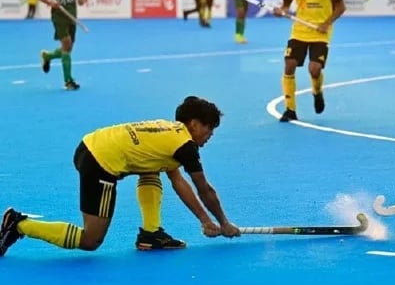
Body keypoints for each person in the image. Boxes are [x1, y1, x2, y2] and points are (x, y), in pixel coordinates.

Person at [0, 96, 241, 257]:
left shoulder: (169, 131)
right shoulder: (185, 146)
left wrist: (206, 220)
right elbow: (203, 189)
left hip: (90, 144)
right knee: (91, 240)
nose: (210, 135)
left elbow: (177, 180)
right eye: (209, 128)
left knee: (153, 166)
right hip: (100, 164)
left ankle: (151, 233)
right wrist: (222, 222)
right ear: (194, 124)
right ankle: (19, 224)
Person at [274, 0, 346, 123]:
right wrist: (280, 11)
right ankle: (290, 109)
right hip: (299, 32)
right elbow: (285, 6)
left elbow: (341, 7)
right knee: (289, 65)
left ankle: (317, 91)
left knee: (314, 69)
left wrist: (326, 23)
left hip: (320, 34)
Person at [39, 0, 88, 91]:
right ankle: (68, 81)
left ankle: (47, 56)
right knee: (66, 43)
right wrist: (50, 1)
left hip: (72, 17)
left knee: (68, 49)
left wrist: (82, 1)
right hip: (58, 17)